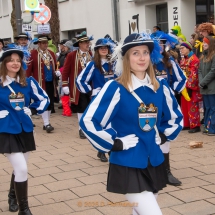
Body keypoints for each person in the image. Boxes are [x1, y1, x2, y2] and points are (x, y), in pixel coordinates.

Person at [80, 33, 183, 215]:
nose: (142, 57)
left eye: (145, 52)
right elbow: (88, 121)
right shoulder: (115, 88)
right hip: (128, 162)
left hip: (154, 160)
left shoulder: (160, 87)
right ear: (126, 58)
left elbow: (176, 117)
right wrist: (113, 143)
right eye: (135, 53)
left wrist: (164, 134)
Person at [0, 48, 49, 214]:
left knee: (19, 167)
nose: (15, 63)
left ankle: (12, 196)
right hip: (6, 130)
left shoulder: (28, 82)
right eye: (11, 60)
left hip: (26, 130)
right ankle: (24, 210)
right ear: (4, 63)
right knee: (21, 168)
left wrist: (33, 110)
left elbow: (45, 99)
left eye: (18, 60)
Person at [76, 37, 116, 162]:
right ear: (97, 50)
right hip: (99, 97)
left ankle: (107, 149)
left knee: (113, 123)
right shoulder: (92, 64)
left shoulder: (114, 63)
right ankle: (103, 150)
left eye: (106, 48)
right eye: (101, 48)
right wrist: (90, 91)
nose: (104, 50)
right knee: (102, 123)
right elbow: (80, 80)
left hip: (114, 96)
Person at [62, 31, 93, 139]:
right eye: (85, 43)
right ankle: (81, 129)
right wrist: (64, 84)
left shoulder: (92, 55)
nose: (87, 44)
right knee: (81, 108)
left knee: (90, 107)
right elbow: (65, 71)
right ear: (79, 44)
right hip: (78, 87)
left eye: (88, 42)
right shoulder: (72, 55)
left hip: (90, 86)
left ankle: (88, 127)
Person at [26, 35, 57, 133]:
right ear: (38, 44)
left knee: (49, 102)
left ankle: (47, 122)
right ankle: (46, 123)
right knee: (43, 102)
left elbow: (55, 66)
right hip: (39, 83)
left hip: (50, 82)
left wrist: (57, 73)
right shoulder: (33, 54)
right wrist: (27, 81)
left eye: (46, 43)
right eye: (43, 43)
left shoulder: (51, 53)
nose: (45, 45)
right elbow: (28, 70)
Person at [180, 41, 202, 133]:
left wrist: (189, 85)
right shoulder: (183, 59)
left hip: (191, 87)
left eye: (182, 48)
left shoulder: (194, 59)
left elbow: (194, 74)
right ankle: (186, 124)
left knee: (192, 105)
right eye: (180, 49)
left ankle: (195, 125)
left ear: (188, 48)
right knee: (184, 105)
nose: (181, 50)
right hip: (184, 86)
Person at [198, 36, 215, 136]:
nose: (203, 45)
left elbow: (213, 71)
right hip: (204, 87)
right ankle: (207, 127)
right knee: (207, 108)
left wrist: (203, 82)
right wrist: (201, 82)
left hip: (212, 87)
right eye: (203, 43)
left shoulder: (213, 55)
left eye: (206, 43)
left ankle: (212, 128)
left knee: (213, 108)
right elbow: (199, 70)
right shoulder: (203, 56)